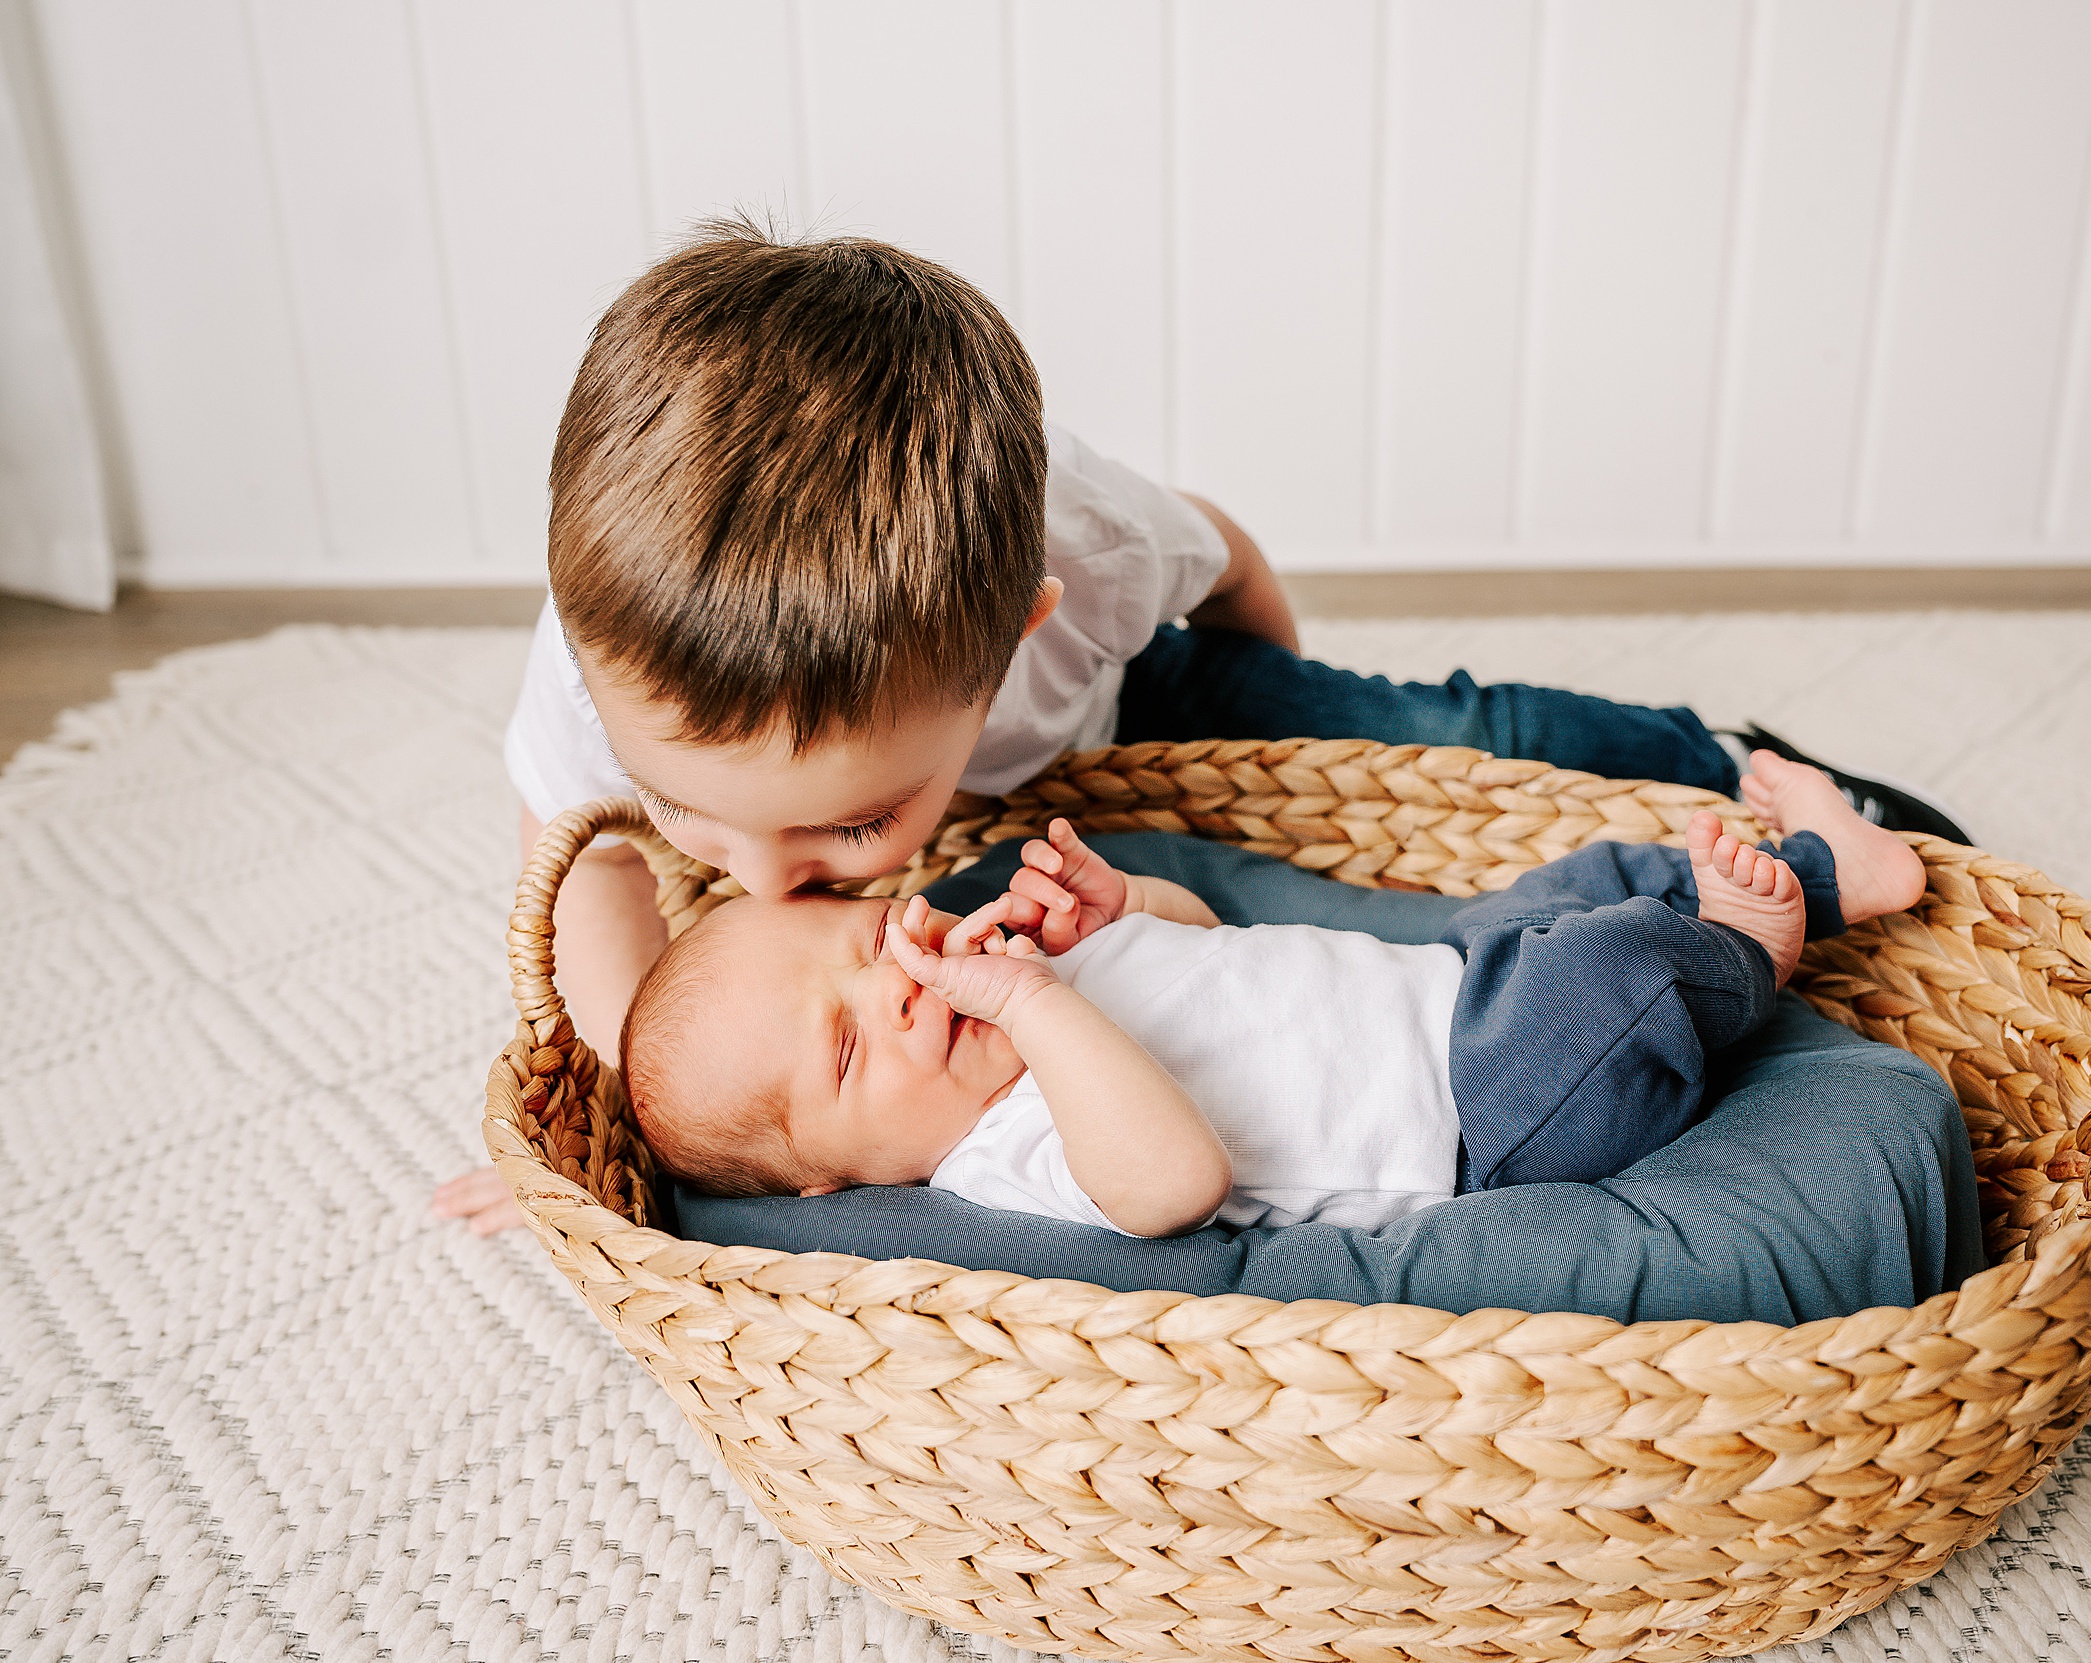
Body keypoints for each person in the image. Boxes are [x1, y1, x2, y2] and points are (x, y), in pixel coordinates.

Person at [434, 222, 1963, 1235]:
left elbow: (1226, 559)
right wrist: (612, 1119)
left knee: (1439, 723)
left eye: (848, 827)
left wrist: (1289, 747)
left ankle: (1721, 760)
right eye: (701, 815)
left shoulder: (1084, 549)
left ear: (1011, 637)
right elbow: (582, 874)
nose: (771, 886)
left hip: (1137, 699)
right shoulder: (603, 660)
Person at [615, 753, 1927, 1236]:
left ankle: (1808, 861)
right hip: (1486, 1115)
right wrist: (1031, 1010)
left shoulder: (1021, 965)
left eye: (868, 947)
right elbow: (1173, 1180)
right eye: (848, 1056)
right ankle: (1783, 917)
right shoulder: (1006, 1155)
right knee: (1615, 971)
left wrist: (1121, 912)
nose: (896, 995)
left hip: (1450, 983)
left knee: (1574, 882)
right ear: (831, 1183)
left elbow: (1207, 936)